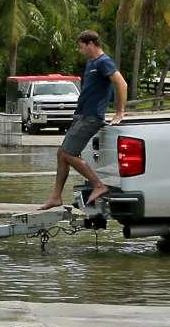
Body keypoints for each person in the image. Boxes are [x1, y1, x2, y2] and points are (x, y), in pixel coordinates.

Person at [41, 29, 127, 209]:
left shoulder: (104, 62)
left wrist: (120, 112)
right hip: (81, 116)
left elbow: (121, 83)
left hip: (92, 117)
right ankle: (56, 197)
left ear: (91, 44)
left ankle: (98, 185)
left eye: (82, 47)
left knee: (68, 153)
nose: (80, 51)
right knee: (61, 153)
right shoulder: (91, 63)